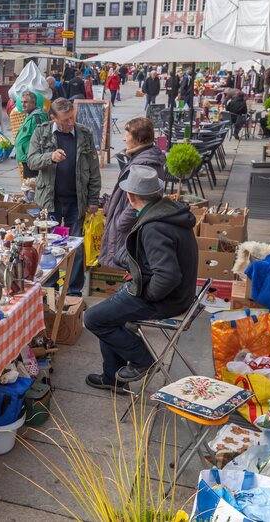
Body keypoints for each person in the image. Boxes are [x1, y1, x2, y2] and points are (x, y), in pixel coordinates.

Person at [83, 165, 198, 392]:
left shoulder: (155, 225)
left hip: (165, 299)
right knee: (108, 315)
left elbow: (167, 276)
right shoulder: (165, 211)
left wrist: (146, 295)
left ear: (131, 196)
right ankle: (112, 378)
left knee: (93, 318)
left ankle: (142, 360)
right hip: (175, 294)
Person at [26, 98, 101, 297]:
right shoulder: (41, 132)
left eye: (72, 118)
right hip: (49, 201)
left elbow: (94, 169)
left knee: (75, 247)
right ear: (53, 118)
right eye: (65, 120)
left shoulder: (84, 133)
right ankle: (50, 288)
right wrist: (49, 157)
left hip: (77, 200)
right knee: (47, 246)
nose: (70, 123)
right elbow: (31, 161)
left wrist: (94, 199)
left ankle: (73, 291)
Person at [97, 117, 165, 268]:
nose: (124, 139)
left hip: (127, 229)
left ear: (138, 139)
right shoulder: (144, 157)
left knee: (123, 267)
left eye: (127, 135)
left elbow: (141, 201)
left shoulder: (144, 163)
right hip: (126, 223)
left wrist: (120, 222)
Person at [14, 90, 48, 177]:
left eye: (26, 102)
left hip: (31, 157)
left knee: (31, 185)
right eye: (22, 102)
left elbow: (42, 138)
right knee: (28, 184)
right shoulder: (30, 115)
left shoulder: (37, 117)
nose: (23, 104)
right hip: (26, 157)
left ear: (33, 103)